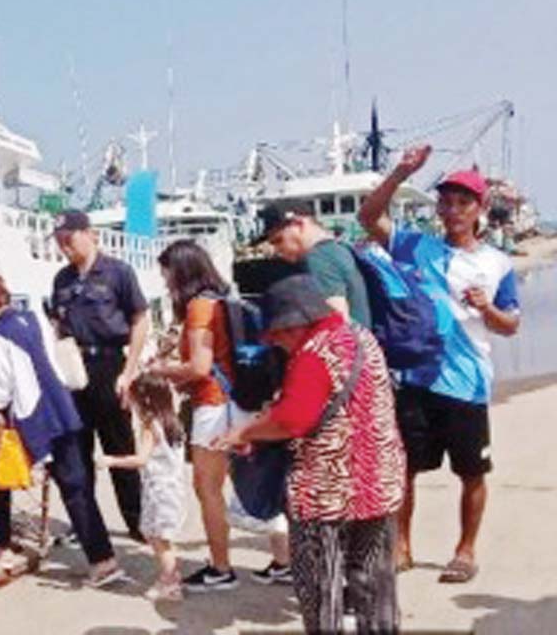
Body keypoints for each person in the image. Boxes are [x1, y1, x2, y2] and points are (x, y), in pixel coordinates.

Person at [358, 145, 520, 584]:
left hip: (467, 383)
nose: (452, 210)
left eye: (462, 202)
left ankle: (465, 551)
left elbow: (510, 326)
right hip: (414, 377)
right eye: (446, 201)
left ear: (479, 208)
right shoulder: (414, 246)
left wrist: (487, 310)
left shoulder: (497, 263)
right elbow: (368, 218)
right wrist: (400, 173)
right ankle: (402, 546)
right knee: (405, 469)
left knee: (471, 472)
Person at [215, 275, 406, 634]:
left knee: (321, 588)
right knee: (375, 584)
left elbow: (293, 420)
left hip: (326, 491)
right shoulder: (360, 336)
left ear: (297, 323)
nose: (274, 340)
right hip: (380, 480)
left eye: (278, 332)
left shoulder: (314, 352)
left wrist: (245, 431)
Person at [147, 239, 290, 591]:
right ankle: (284, 561)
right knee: (259, 481)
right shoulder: (224, 299)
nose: (165, 282)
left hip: (215, 405)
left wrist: (162, 370)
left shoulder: (198, 308)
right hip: (242, 403)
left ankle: (221, 568)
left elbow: (199, 367)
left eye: (167, 274)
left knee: (208, 488)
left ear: (180, 272)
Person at [0, 273, 124, 587]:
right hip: (63, 406)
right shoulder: (34, 318)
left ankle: (5, 547)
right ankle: (102, 556)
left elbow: (0, 392)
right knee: (76, 485)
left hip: (36, 417)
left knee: (9, 477)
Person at [49, 209, 149, 541]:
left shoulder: (118, 273)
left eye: (69, 239)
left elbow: (139, 319)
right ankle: (87, 523)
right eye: (60, 242)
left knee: (120, 445)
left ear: (89, 234)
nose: (64, 247)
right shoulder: (62, 280)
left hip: (109, 365)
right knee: (77, 448)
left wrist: (130, 371)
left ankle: (137, 522)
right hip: (75, 369)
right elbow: (57, 326)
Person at [97, 372, 186, 601]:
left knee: (159, 539)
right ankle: (170, 576)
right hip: (173, 487)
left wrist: (112, 460)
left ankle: (170, 582)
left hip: (159, 489)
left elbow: (140, 459)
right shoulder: (172, 420)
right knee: (161, 537)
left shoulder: (151, 426)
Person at [254, 199, 372, 327]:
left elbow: (337, 323)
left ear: (299, 224)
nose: (277, 250)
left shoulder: (319, 258)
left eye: (278, 240)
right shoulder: (339, 248)